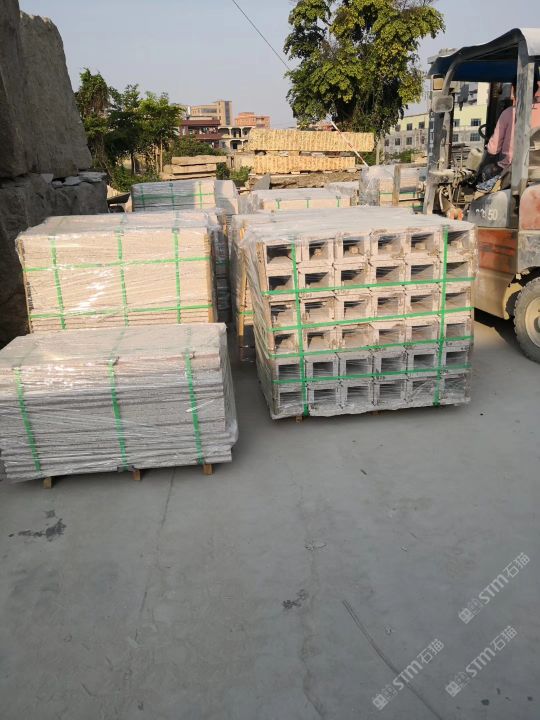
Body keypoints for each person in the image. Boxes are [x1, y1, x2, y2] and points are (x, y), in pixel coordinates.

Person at [478, 75, 540, 191]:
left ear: (515, 90)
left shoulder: (509, 113)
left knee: (486, 170)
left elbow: (493, 149)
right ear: (535, 90)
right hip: (537, 170)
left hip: (511, 170)